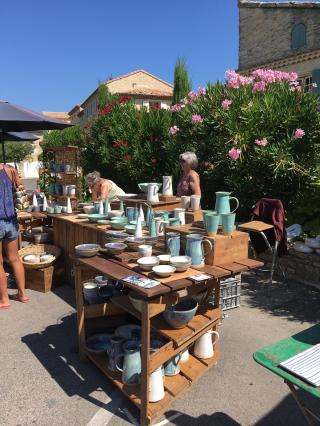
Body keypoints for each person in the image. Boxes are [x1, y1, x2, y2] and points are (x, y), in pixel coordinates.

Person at [0, 164, 29, 309]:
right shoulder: (10, 169)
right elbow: (21, 190)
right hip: (11, 219)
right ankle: (22, 294)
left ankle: (4, 300)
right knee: (14, 258)